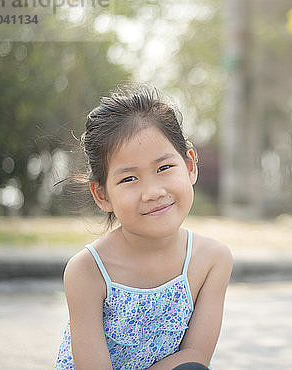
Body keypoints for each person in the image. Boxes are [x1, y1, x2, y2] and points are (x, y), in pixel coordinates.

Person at [56, 84, 233, 369]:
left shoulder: (212, 260)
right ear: (102, 194)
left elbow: (195, 358)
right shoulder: (88, 270)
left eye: (164, 168)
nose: (152, 192)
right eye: (128, 179)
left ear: (190, 166)